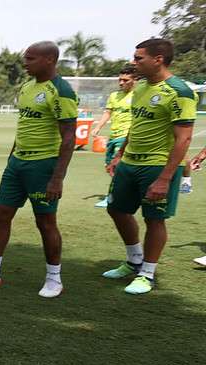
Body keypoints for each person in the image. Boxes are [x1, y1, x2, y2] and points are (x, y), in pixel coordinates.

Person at [0, 41, 78, 299]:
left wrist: (57, 178)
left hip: (43, 166)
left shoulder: (61, 90)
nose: (25, 63)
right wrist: (12, 158)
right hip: (17, 164)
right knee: (1, 214)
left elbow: (69, 137)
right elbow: (24, 126)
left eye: (31, 58)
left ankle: (54, 279)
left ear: (49, 60)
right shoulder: (26, 87)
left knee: (45, 221)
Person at [102, 38, 196, 294]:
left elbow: (184, 138)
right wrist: (120, 153)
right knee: (117, 210)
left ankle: (147, 273)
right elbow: (137, 125)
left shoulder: (180, 91)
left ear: (158, 59)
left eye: (139, 58)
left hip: (157, 165)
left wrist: (165, 178)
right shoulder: (141, 88)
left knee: (154, 219)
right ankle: (134, 260)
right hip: (130, 162)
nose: (134, 63)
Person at [92, 65, 137, 207]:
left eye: (125, 80)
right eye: (120, 80)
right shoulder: (114, 96)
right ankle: (129, 192)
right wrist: (98, 127)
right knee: (109, 167)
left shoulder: (138, 96)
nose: (121, 83)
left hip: (126, 137)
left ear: (135, 80)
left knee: (116, 167)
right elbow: (108, 113)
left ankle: (112, 197)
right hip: (113, 136)